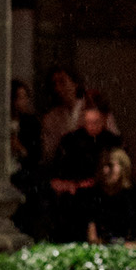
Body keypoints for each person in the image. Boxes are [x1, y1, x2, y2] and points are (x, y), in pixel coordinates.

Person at [46, 93, 124, 242]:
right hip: (74, 198)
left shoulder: (113, 143)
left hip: (105, 197)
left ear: (105, 119)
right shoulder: (69, 141)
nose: (91, 126)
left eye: (96, 122)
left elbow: (120, 175)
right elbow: (56, 177)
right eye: (88, 122)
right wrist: (70, 185)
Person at [83, 147, 136, 245]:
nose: (104, 170)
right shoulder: (93, 196)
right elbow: (92, 238)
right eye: (102, 166)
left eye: (110, 165)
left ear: (123, 168)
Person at [10, 79, 42, 237]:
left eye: (24, 97)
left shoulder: (31, 123)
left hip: (25, 173)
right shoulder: (0, 122)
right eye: (18, 97)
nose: (21, 102)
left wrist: (20, 148)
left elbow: (36, 155)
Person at [40, 66, 83, 161]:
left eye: (62, 82)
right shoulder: (50, 118)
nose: (58, 88)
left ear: (75, 84)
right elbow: (48, 154)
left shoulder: (92, 109)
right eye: (54, 84)